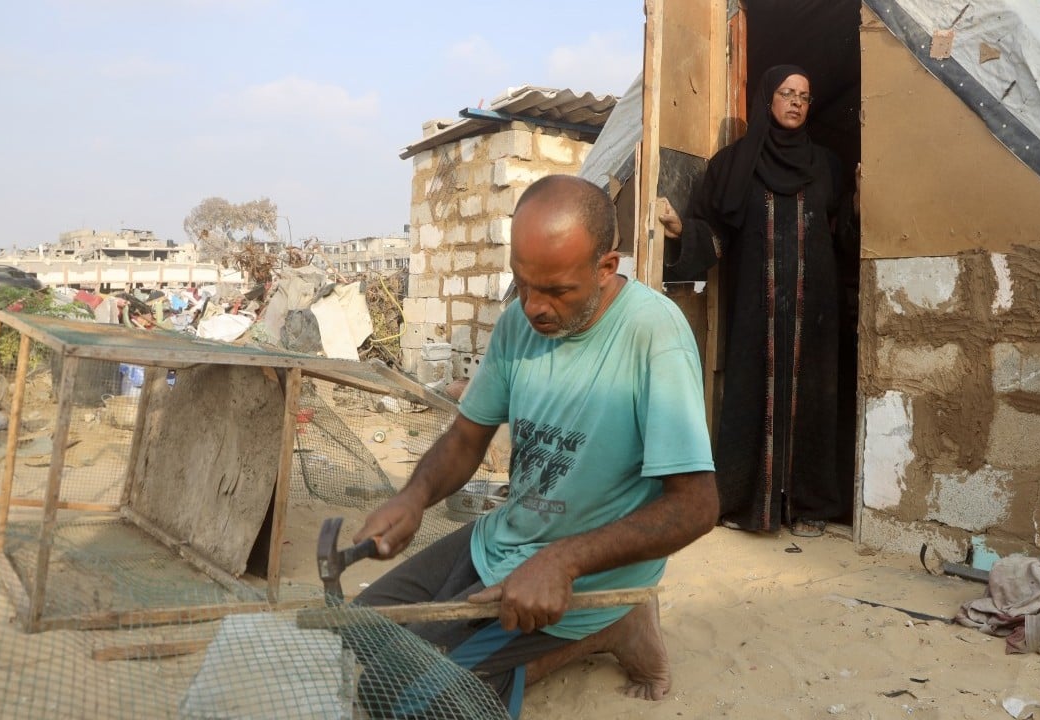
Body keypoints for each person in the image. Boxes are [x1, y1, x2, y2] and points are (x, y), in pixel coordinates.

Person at [352, 174, 718, 717]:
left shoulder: (653, 334)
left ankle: (603, 626)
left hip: (589, 570)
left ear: (605, 267)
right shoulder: (518, 326)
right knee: (357, 632)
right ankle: (572, 637)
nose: (534, 308)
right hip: (506, 538)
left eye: (557, 291)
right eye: (523, 285)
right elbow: (466, 437)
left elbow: (697, 505)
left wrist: (563, 562)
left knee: (405, 700)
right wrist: (412, 498)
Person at [658, 64, 858, 538]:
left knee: (814, 400)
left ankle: (810, 505)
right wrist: (683, 232)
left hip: (816, 312)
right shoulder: (733, 165)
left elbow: (844, 239)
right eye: (787, 93)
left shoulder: (826, 166)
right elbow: (718, 233)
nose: (795, 103)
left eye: (804, 97)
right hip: (756, 310)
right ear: (767, 98)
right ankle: (746, 501)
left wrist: (856, 205)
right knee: (752, 397)